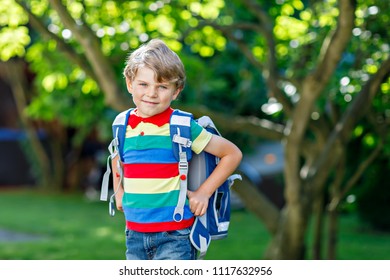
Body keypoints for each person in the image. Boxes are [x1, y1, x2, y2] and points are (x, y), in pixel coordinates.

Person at [111, 38, 242, 260]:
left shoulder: (181, 126)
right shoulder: (122, 123)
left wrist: (203, 192)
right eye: (144, 84)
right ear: (130, 83)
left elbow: (232, 153)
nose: (152, 93)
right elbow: (118, 158)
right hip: (133, 233)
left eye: (162, 86)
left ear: (176, 91)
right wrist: (119, 191)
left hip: (175, 235)